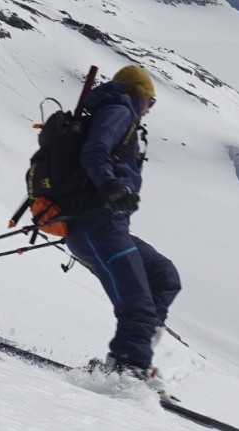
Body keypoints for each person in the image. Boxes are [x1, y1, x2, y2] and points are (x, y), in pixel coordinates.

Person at [64, 65, 180, 387]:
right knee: (138, 304)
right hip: (96, 225)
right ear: (140, 96)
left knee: (163, 276)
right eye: (150, 103)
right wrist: (111, 186)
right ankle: (127, 368)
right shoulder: (118, 111)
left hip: (108, 226)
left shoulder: (119, 113)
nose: (149, 111)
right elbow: (94, 152)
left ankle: (135, 356)